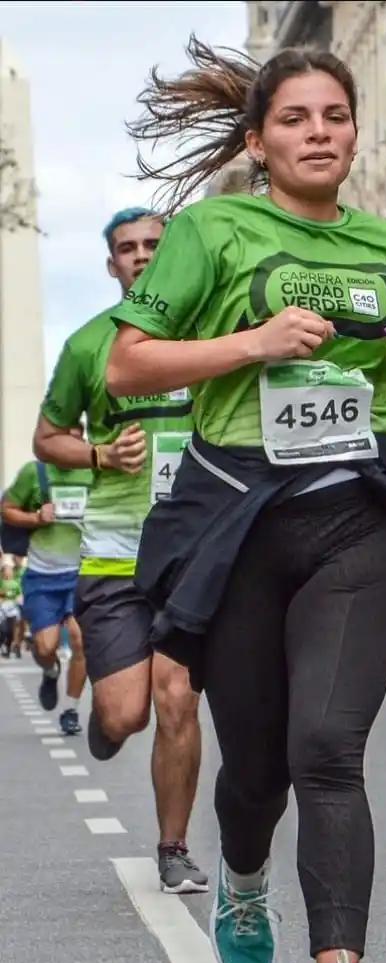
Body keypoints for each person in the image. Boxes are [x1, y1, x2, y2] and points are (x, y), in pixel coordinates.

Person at [106, 37, 386, 963]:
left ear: (352, 131)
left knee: (328, 744)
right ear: (258, 140)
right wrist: (251, 344)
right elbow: (126, 361)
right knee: (260, 769)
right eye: (295, 120)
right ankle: (239, 871)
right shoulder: (210, 231)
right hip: (239, 522)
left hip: (355, 517)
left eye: (334, 116)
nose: (319, 134)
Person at [33, 206, 208, 894]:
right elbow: (48, 438)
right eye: (127, 249)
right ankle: (106, 726)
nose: (140, 256)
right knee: (125, 712)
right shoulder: (87, 346)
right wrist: (99, 451)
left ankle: (173, 846)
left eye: (153, 245)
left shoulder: (208, 332)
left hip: (191, 554)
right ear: (111, 266)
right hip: (111, 558)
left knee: (177, 697)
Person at [1, 450, 92, 734]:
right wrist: (37, 517)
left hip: (81, 573)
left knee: (79, 640)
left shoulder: (93, 471)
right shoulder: (35, 473)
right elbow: (6, 509)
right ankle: (51, 671)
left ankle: (71, 711)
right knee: (44, 647)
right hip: (42, 576)